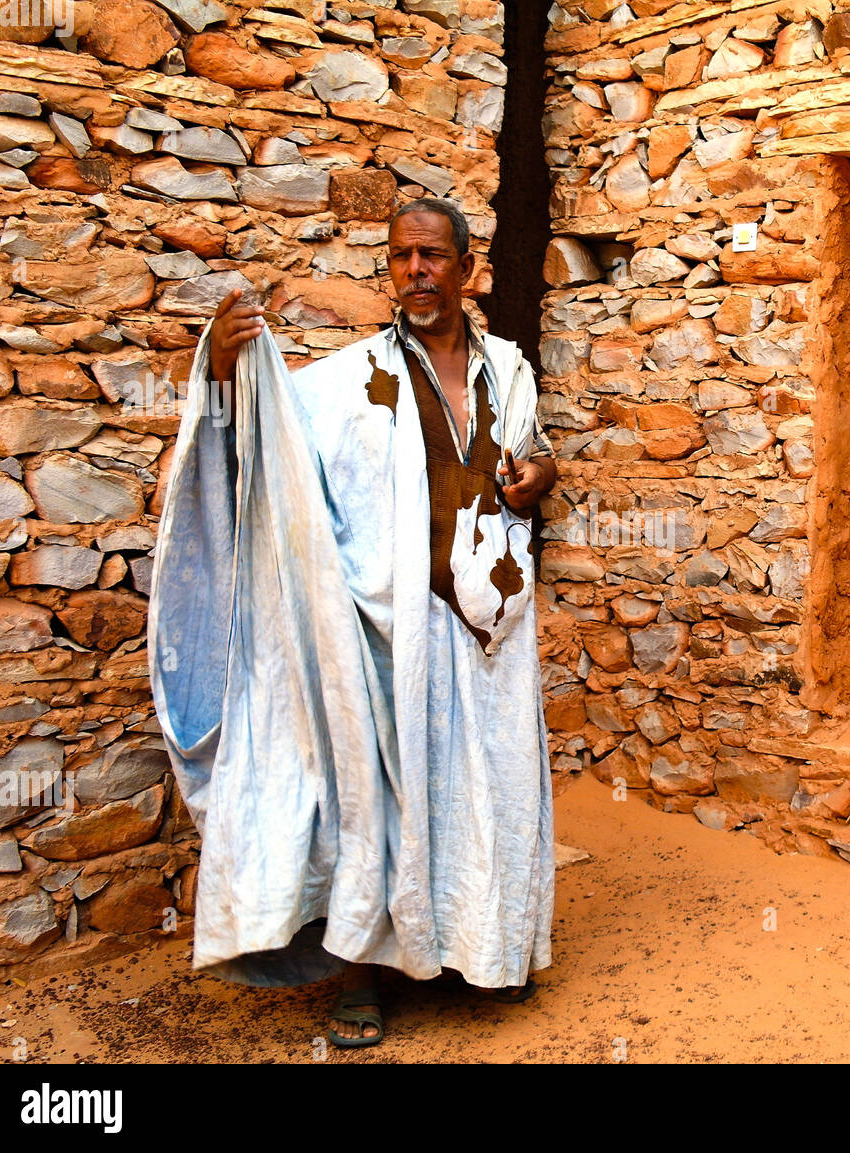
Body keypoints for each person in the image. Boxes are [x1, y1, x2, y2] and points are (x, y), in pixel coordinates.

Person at [148, 197, 558, 1049]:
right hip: (384, 629)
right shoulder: (346, 381)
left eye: (434, 255)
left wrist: (539, 474)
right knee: (373, 795)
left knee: (492, 788)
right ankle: (364, 976)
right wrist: (223, 373)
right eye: (402, 255)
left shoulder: (508, 370)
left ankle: (486, 947)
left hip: (488, 632)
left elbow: (536, 445)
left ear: (468, 267)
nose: (416, 270)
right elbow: (271, 446)